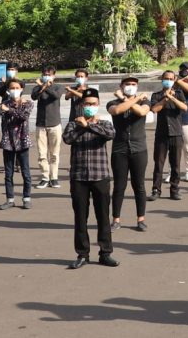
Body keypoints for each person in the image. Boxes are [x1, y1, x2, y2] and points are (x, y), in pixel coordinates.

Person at [63, 88, 119, 269]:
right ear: (82, 105)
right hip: (79, 176)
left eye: (93, 104)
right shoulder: (73, 124)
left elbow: (110, 135)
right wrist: (81, 126)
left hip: (100, 175)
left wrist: (89, 126)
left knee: (103, 216)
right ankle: (82, 253)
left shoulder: (104, 123)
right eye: (87, 104)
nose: (90, 107)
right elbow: (67, 139)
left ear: (98, 105)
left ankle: (105, 252)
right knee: (80, 216)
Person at [108, 77, 152, 232]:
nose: (131, 86)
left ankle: (141, 219)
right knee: (119, 186)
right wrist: (124, 99)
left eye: (134, 85)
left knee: (138, 185)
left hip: (139, 149)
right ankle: (116, 219)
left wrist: (131, 99)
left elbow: (141, 112)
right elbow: (118, 111)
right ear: (121, 86)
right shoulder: (113, 103)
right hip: (120, 149)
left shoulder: (144, 102)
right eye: (128, 84)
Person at [149, 70, 188, 201]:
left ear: (174, 79)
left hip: (176, 134)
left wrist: (172, 97)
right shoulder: (156, 95)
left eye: (171, 78)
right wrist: (165, 98)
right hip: (162, 134)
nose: (168, 81)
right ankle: (156, 190)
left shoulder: (179, 93)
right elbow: (154, 109)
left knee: (175, 164)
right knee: (158, 164)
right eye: (166, 78)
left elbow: (184, 108)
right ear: (162, 79)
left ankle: (174, 189)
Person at [0, 80, 33, 211]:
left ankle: (27, 198)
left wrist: (9, 110)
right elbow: (4, 115)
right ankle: (10, 199)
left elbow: (23, 117)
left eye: (17, 87)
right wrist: (8, 109)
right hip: (8, 141)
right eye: (12, 88)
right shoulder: (4, 104)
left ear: (22, 88)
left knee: (25, 172)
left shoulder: (28, 103)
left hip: (23, 140)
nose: (14, 90)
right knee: (8, 172)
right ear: (8, 89)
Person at [31, 65, 65, 189]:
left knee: (54, 153)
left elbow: (55, 96)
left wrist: (45, 86)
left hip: (54, 123)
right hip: (41, 124)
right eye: (44, 73)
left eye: (49, 74)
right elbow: (34, 97)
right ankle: (45, 177)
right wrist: (41, 87)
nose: (46, 75)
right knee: (42, 154)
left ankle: (54, 177)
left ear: (54, 75)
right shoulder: (37, 88)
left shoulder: (58, 87)